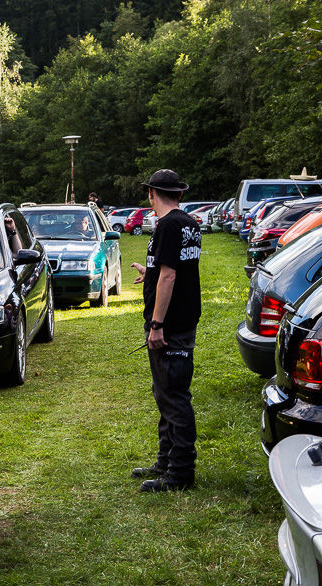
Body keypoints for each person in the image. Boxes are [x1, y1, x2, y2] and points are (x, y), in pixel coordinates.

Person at [129, 169, 202, 492]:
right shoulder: (188, 223)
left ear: (151, 193)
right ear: (180, 194)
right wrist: (151, 272)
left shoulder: (169, 225)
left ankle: (181, 473)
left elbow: (171, 276)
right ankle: (166, 461)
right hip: (182, 320)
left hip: (170, 325)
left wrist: (157, 324)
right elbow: (174, 269)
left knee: (173, 396)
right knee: (165, 393)